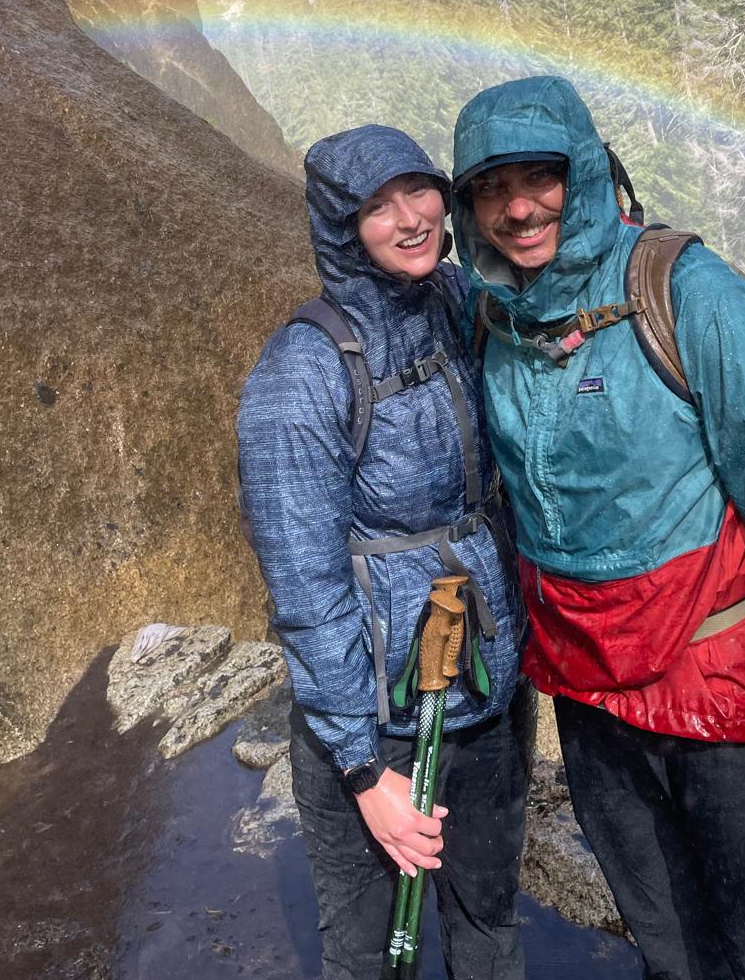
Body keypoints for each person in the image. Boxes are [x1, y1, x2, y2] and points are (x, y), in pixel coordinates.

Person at [449, 75, 745, 980]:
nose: (517, 209)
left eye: (538, 177)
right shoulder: (495, 316)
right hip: (596, 716)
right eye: (490, 188)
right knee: (672, 956)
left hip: (729, 714)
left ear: (585, 171)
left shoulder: (691, 297)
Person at [237, 126, 529, 980]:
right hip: (381, 722)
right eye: (376, 206)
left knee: (489, 928)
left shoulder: (453, 300)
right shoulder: (302, 371)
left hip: (486, 688)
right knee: (369, 958)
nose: (410, 219)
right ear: (341, 227)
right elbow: (305, 585)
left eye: (419, 191)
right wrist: (365, 773)